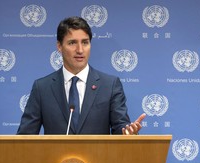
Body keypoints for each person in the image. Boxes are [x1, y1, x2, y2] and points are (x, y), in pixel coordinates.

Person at [17, 16, 146, 135]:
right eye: (72, 43)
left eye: (85, 42)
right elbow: (25, 138)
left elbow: (121, 128)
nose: (80, 50)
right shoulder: (42, 88)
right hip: (55, 160)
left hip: (98, 159)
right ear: (59, 46)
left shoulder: (110, 85)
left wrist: (129, 133)